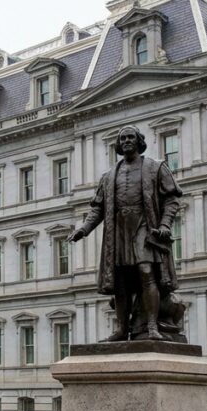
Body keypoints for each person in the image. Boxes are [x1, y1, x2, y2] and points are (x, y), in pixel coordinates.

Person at [70, 125, 183, 341]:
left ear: (139, 141)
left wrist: (166, 225)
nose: (127, 141)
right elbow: (98, 209)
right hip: (118, 230)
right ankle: (122, 329)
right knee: (120, 281)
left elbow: (172, 199)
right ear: (118, 145)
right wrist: (83, 229)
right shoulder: (109, 176)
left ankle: (151, 327)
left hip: (144, 226)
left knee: (146, 272)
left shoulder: (156, 167)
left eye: (131, 137)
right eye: (122, 139)